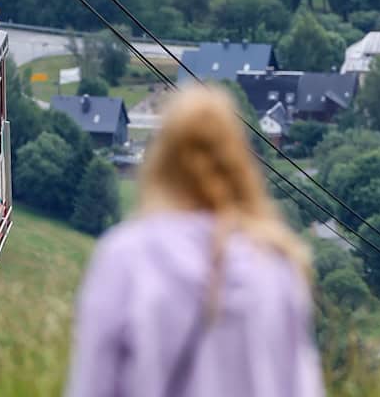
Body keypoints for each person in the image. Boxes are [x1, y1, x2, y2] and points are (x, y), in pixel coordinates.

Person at [65, 86, 323, 397]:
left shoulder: (126, 258)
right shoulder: (277, 265)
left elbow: (93, 385)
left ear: (162, 162)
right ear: (239, 164)